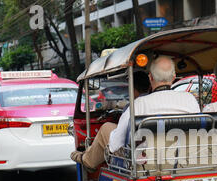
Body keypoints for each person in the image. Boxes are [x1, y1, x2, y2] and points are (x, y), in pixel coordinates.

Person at [71, 56, 200, 170]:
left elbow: (116, 143)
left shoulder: (138, 104)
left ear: (150, 77)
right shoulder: (190, 100)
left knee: (106, 128)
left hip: (145, 163)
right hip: (184, 157)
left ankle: (88, 161)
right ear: (173, 76)